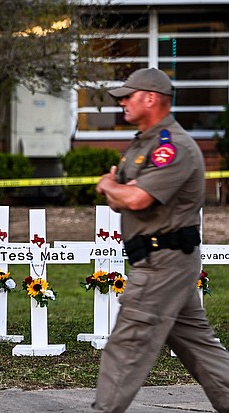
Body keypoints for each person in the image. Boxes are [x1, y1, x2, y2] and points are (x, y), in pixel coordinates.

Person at [94, 67, 229, 413]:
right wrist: (119, 191)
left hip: (162, 262)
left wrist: (110, 185)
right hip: (163, 260)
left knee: (127, 344)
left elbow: (136, 198)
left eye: (128, 96)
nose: (122, 102)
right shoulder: (146, 142)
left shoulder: (174, 146)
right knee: (198, 346)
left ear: (151, 98)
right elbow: (124, 195)